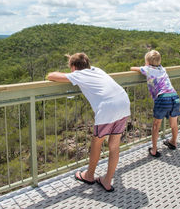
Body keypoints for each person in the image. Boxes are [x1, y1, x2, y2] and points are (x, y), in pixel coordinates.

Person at [47, 53, 130, 192]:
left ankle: (89, 175)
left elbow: (52, 76)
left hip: (107, 108)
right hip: (123, 102)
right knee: (114, 145)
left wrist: (68, 74)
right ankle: (107, 181)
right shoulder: (97, 70)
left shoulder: (78, 74)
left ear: (74, 67)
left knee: (97, 142)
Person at [131, 50, 180, 157]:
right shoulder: (163, 68)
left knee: (156, 125)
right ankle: (173, 142)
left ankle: (154, 150)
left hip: (162, 99)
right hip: (174, 96)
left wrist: (143, 66)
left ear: (147, 62)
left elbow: (133, 69)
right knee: (173, 124)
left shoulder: (147, 69)